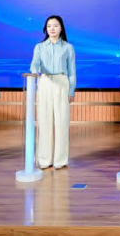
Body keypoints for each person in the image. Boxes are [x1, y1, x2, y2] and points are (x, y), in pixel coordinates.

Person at [30, 15, 76, 169]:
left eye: (56, 25)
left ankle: (60, 160)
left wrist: (71, 90)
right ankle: (44, 159)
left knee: (62, 121)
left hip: (62, 82)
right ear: (45, 28)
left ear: (61, 28)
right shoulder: (40, 47)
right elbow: (34, 63)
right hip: (45, 82)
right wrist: (34, 71)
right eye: (49, 26)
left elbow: (72, 71)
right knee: (44, 120)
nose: (52, 28)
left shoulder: (68, 47)